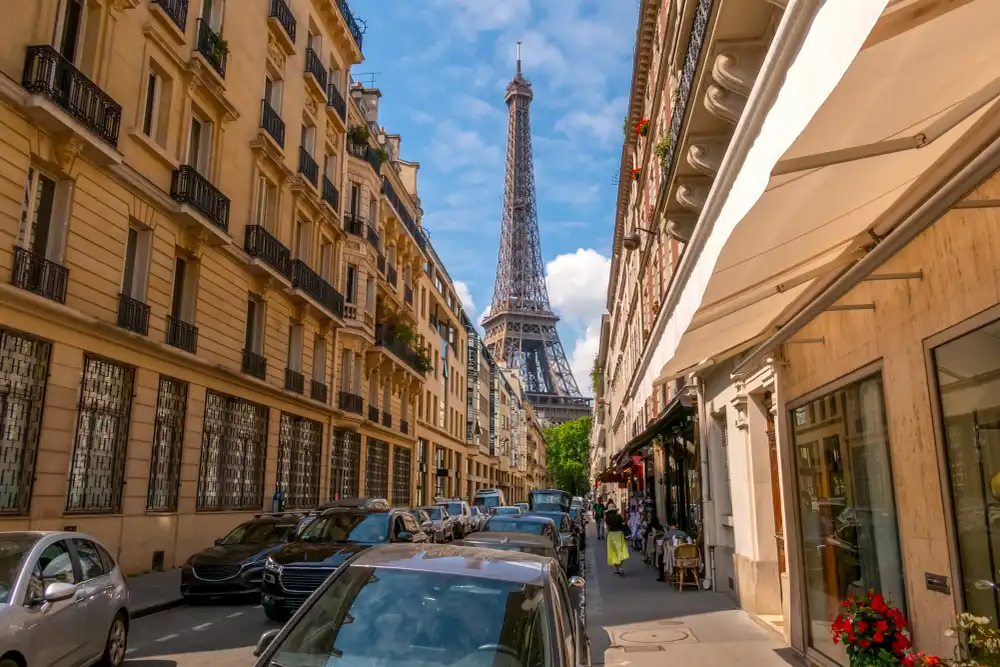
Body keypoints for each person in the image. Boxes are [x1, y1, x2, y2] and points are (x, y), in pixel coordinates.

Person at [605, 506, 629, 576]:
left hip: (611, 535)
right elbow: (624, 525)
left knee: (613, 553)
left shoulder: (607, 518)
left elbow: (608, 528)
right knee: (621, 551)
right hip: (619, 534)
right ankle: (620, 566)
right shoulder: (619, 517)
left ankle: (618, 568)